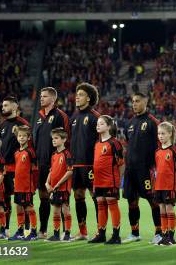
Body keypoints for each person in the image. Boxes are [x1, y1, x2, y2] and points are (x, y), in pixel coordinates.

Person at [123, 92, 162, 244]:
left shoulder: (153, 122)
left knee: (153, 200)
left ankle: (159, 233)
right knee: (132, 201)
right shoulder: (130, 123)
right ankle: (134, 233)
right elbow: (129, 143)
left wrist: (156, 166)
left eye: (137, 101)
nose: (134, 104)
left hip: (146, 169)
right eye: (133, 101)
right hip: (130, 169)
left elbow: (160, 145)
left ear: (145, 102)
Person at [33, 87, 70, 239]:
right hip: (41, 164)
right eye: (40, 96)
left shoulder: (60, 116)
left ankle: (64, 232)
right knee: (43, 197)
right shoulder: (40, 116)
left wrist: (63, 161)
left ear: (53, 99)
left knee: (60, 199)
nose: (41, 98)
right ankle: (43, 230)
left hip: (56, 164)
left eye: (45, 96)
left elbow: (65, 139)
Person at [69, 82, 101, 240]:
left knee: (96, 196)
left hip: (90, 165)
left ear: (88, 98)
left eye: (80, 95)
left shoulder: (95, 117)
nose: (77, 97)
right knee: (78, 196)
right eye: (77, 94)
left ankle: (100, 230)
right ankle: (82, 231)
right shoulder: (73, 117)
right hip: (76, 164)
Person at [88, 115, 124, 245]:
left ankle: (116, 236)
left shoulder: (114, 143)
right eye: (97, 123)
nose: (98, 125)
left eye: (101, 123)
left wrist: (117, 180)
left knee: (111, 204)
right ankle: (101, 234)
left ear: (109, 126)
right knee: (100, 205)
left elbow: (121, 163)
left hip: (110, 180)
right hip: (98, 181)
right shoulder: (97, 144)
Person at [0, 95, 30, 235]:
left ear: (15, 106)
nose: (3, 108)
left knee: (22, 200)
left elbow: (29, 148)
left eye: (6, 105)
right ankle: (5, 229)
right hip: (4, 168)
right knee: (5, 200)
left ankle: (27, 229)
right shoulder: (3, 125)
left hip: (18, 169)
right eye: (3, 105)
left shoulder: (23, 124)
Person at [8, 125, 38, 241]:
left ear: (28, 137)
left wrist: (34, 186)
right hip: (18, 186)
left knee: (29, 208)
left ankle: (34, 232)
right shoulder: (16, 153)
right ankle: (20, 231)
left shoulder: (30, 152)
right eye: (19, 136)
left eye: (24, 136)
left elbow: (35, 169)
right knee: (19, 208)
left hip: (27, 186)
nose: (21, 138)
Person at [153, 121, 176, 246]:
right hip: (159, 185)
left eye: (163, 133)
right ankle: (164, 235)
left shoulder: (174, 151)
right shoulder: (157, 151)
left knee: (169, 209)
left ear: (170, 134)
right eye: (159, 133)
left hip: (169, 186)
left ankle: (171, 237)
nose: (160, 136)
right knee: (161, 210)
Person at [44, 128, 74, 242]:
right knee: (56, 211)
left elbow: (70, 171)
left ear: (64, 139)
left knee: (65, 210)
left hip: (63, 188)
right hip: (54, 188)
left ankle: (67, 234)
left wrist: (58, 184)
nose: (54, 140)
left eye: (56, 138)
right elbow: (51, 171)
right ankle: (56, 235)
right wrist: (47, 182)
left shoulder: (67, 154)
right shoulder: (53, 155)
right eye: (53, 138)